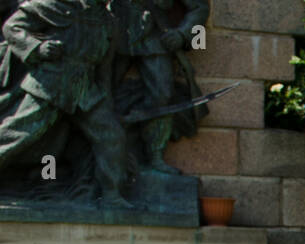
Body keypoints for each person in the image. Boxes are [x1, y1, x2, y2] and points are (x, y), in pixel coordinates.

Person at [0, 0, 128, 206]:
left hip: (86, 87)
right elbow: (12, 27)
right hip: (51, 82)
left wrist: (108, 103)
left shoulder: (107, 21)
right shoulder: (54, 4)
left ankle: (112, 195)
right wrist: (38, 48)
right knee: (18, 133)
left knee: (112, 136)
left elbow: (104, 69)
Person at [117, 0, 208, 174]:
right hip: (115, 30)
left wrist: (182, 34)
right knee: (99, 92)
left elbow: (199, 8)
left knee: (162, 95)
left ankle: (155, 155)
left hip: (155, 34)